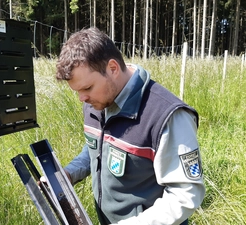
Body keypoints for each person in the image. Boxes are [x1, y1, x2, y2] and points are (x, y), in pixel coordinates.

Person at [55, 27, 205, 225]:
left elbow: (185, 195)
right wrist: (69, 173)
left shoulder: (167, 116)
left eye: (87, 88)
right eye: (77, 91)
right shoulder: (95, 102)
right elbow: (97, 146)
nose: (82, 98)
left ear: (113, 68)